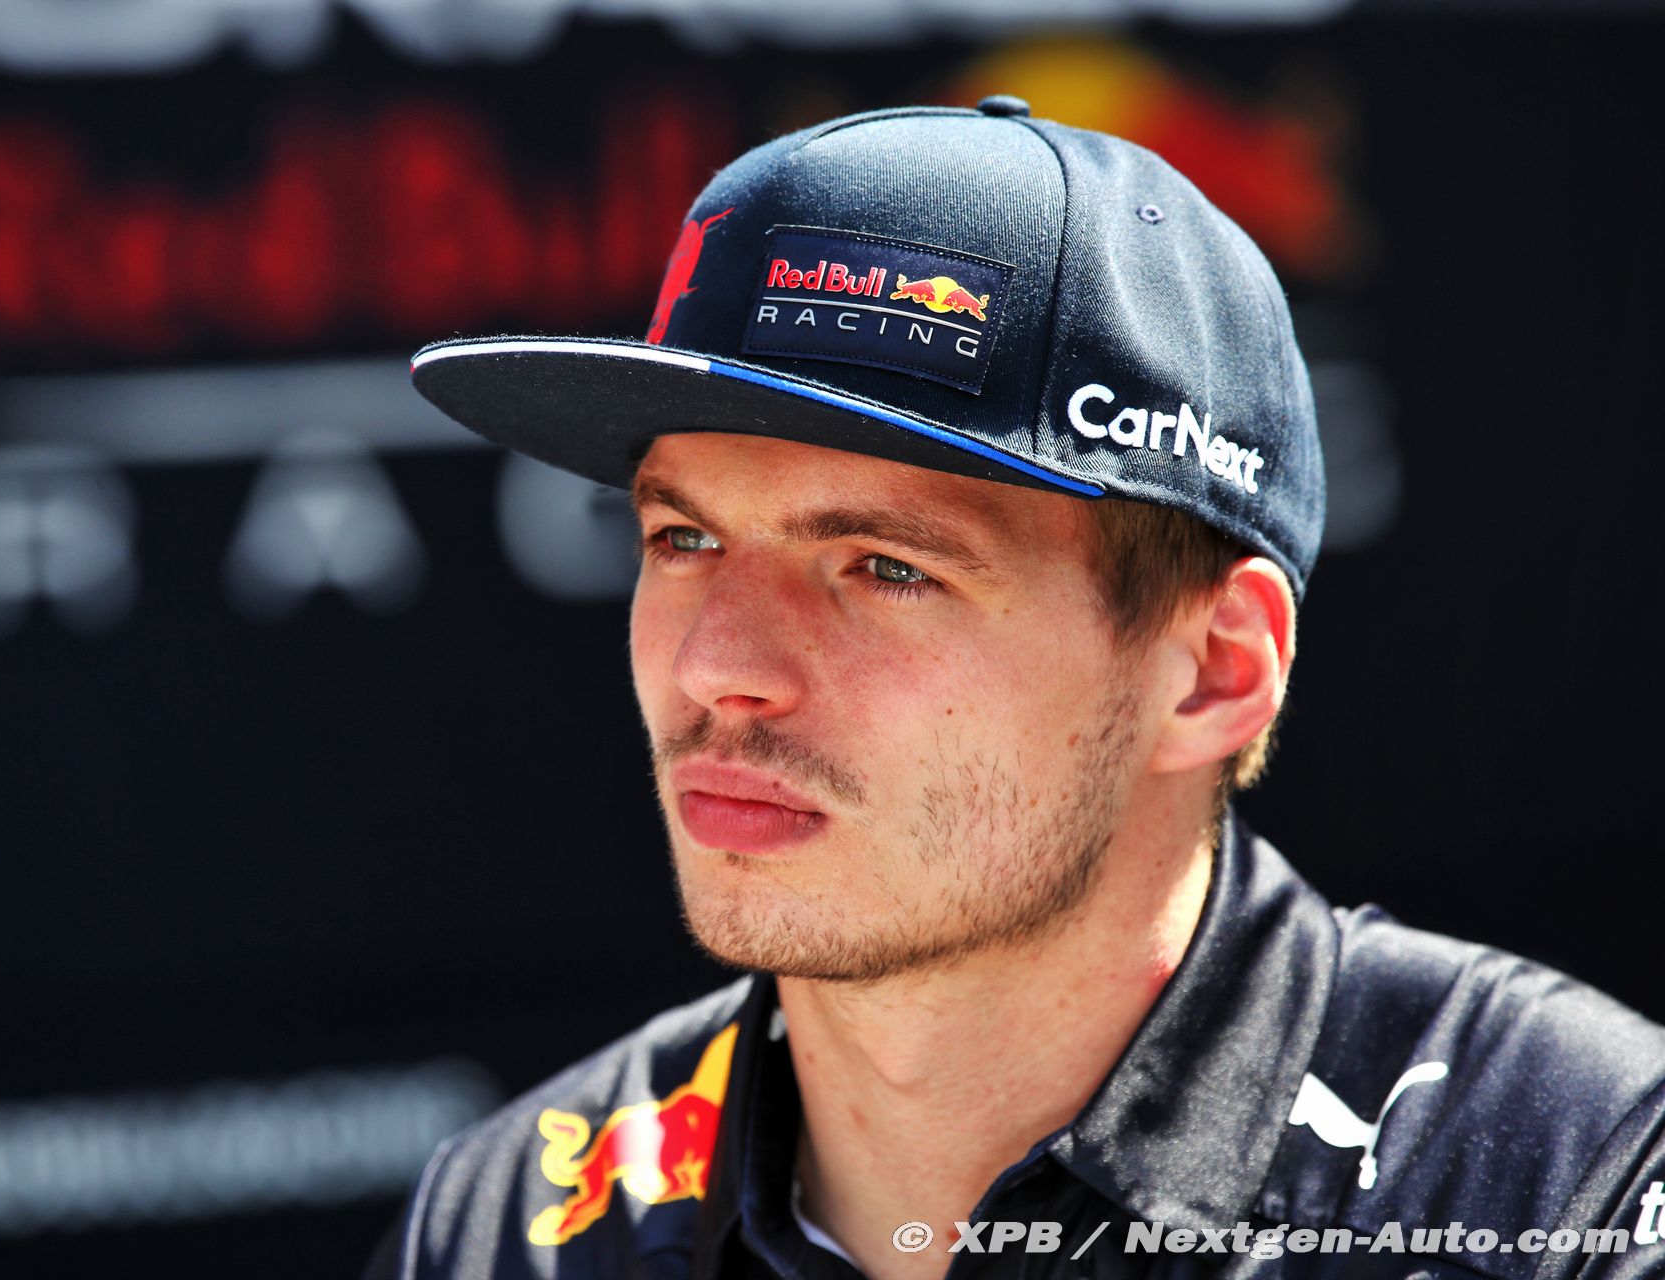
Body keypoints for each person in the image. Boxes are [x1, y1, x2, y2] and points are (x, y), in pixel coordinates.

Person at [372, 99, 1665, 1280]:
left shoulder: (1567, 1187)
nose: (717, 666)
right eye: (683, 538)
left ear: (1215, 670)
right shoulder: (508, 1228)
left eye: (885, 567)